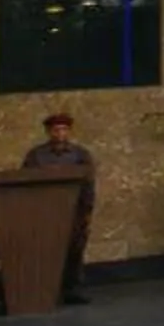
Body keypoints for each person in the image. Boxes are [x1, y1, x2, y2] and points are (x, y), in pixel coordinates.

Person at [20, 111, 97, 304]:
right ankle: (46, 289)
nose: (60, 133)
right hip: (45, 211)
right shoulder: (36, 155)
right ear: (48, 132)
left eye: (64, 129)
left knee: (74, 251)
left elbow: (88, 183)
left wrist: (87, 211)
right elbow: (24, 180)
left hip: (73, 211)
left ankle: (74, 289)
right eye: (56, 130)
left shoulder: (80, 154)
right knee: (47, 251)